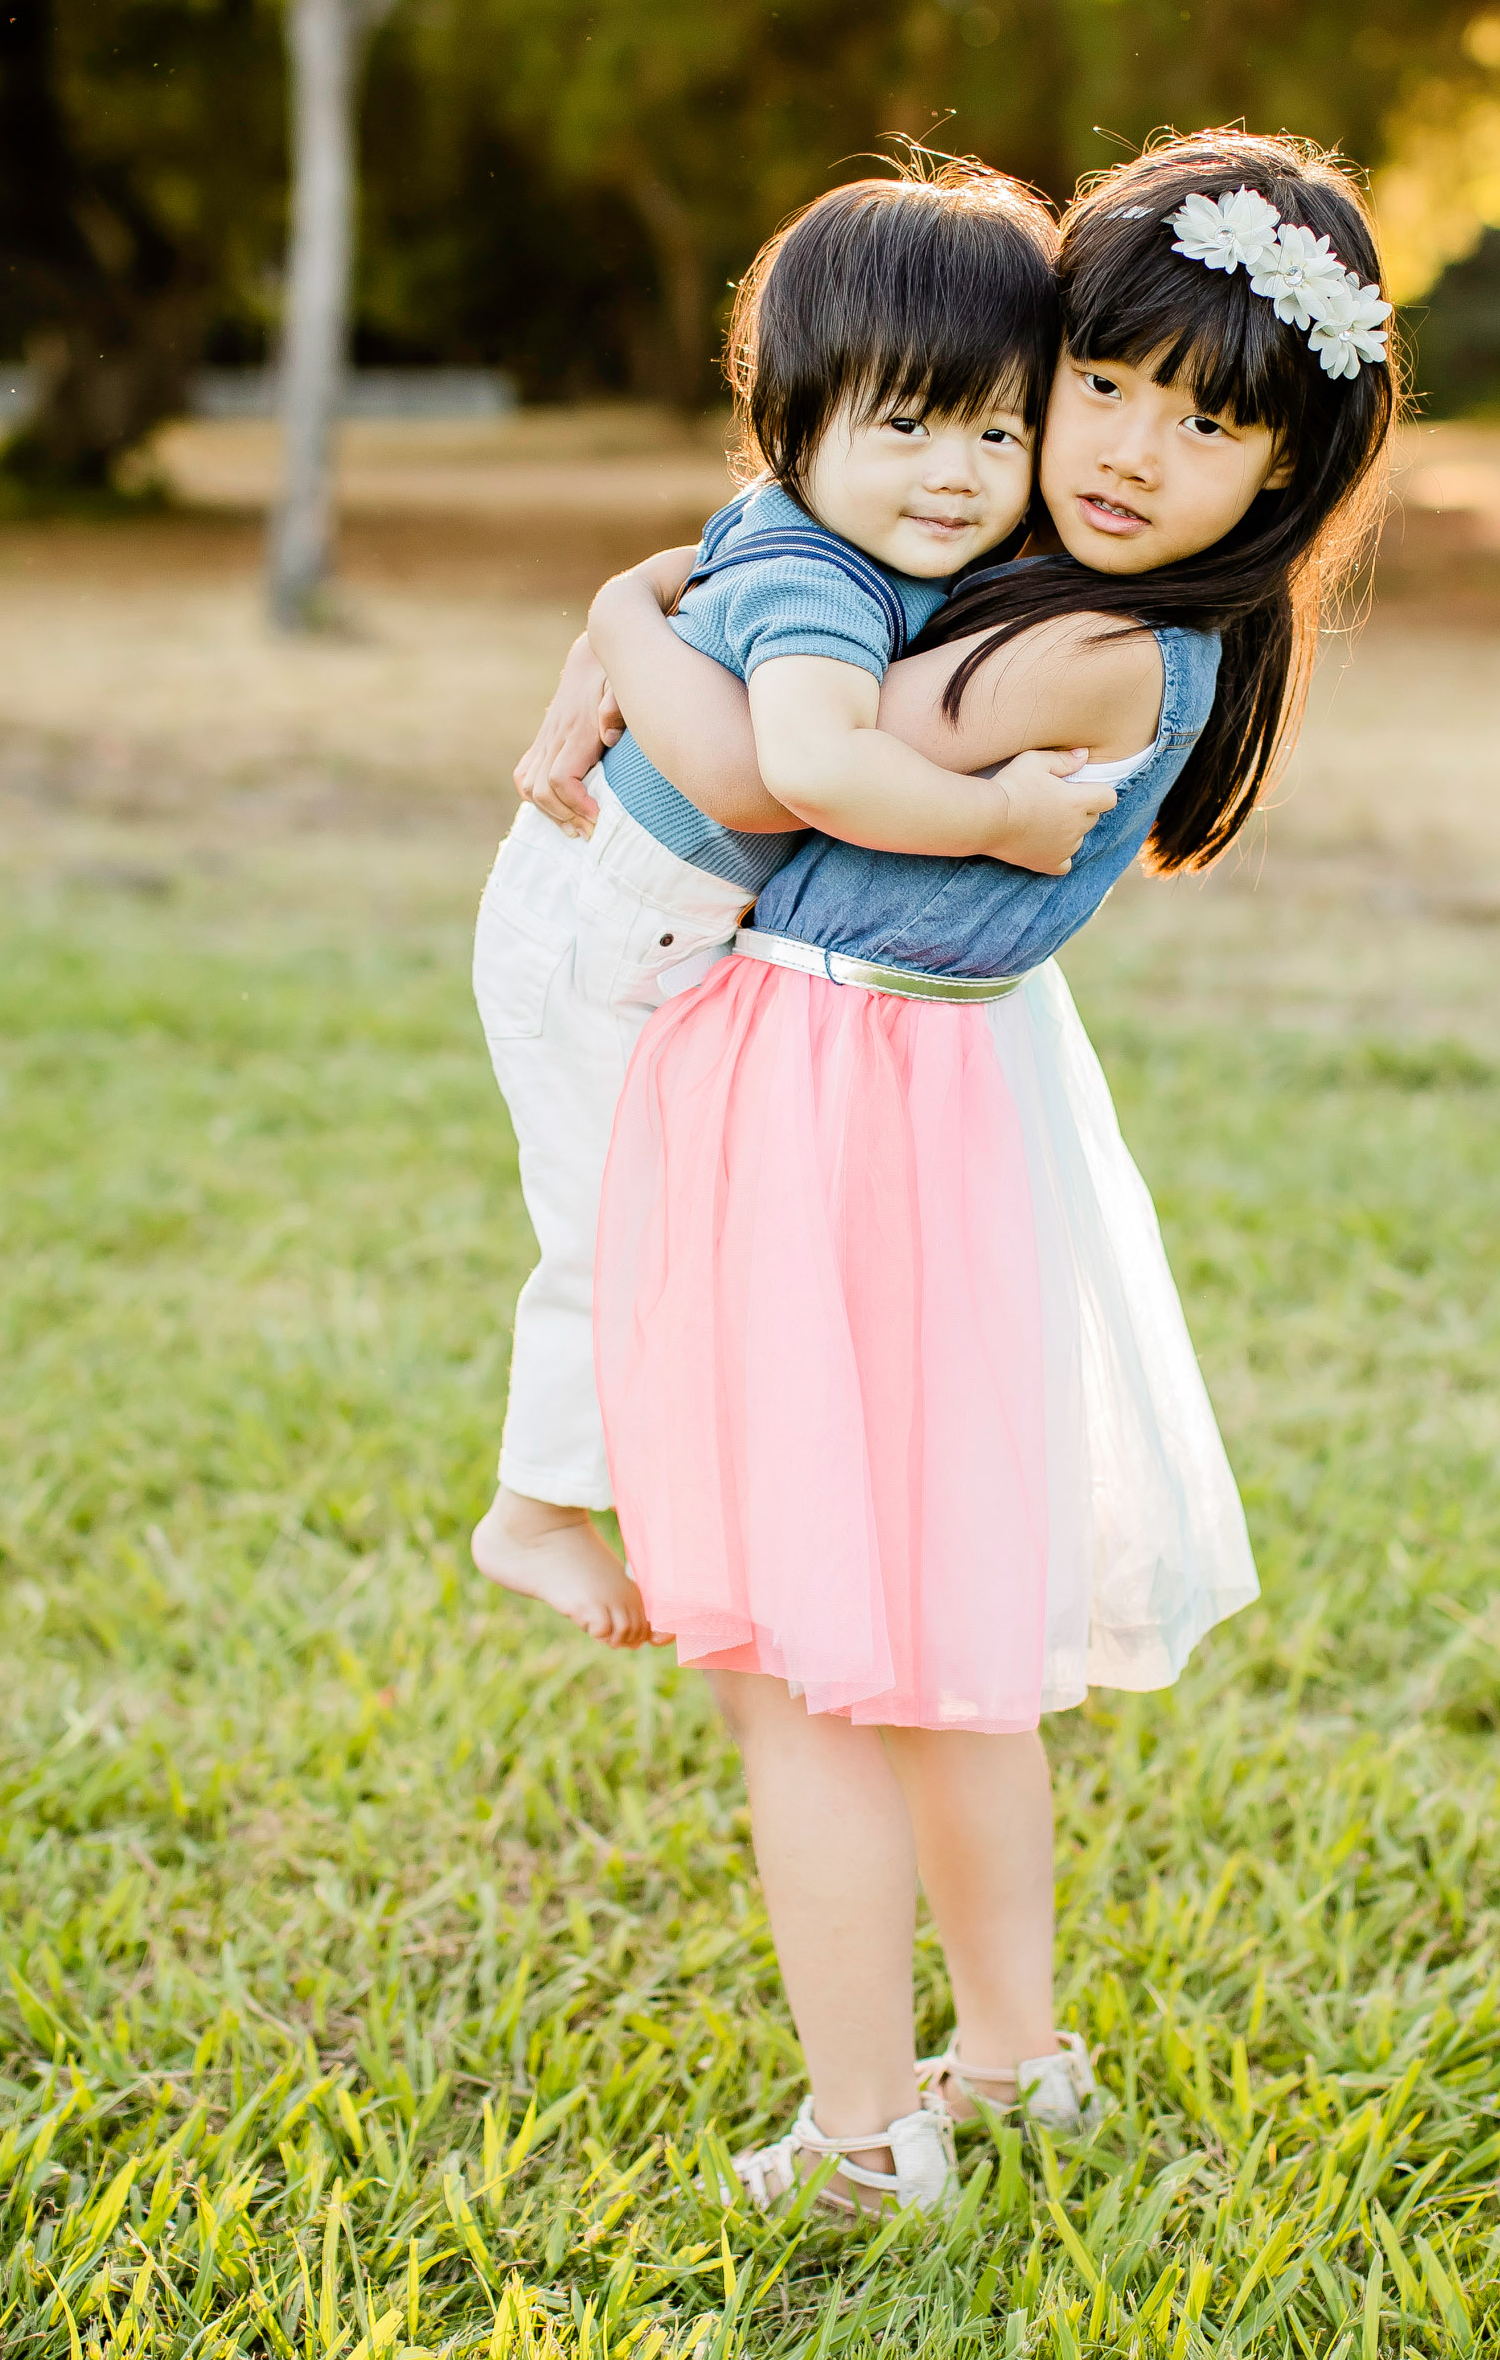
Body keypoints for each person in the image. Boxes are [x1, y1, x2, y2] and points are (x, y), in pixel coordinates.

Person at [576, 131, 1398, 2220]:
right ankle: (1017, 2055)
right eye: (1101, 385)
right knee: (927, 1637)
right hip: (902, 1099)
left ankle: (864, 2140)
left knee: (808, 1659)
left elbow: (765, 760)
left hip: (843, 1098)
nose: (1127, 450)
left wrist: (614, 611)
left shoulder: (1098, 649)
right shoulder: (1067, 598)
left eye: (1209, 426)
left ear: (1282, 478)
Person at [471, 163, 1120, 1648]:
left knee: (672, 1223)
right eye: (906, 424)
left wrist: (624, 606)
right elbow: (797, 772)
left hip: (655, 929)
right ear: (796, 423)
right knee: (607, 1227)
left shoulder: (888, 537)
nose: (956, 474)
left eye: (999, 429)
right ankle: (534, 1510)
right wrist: (996, 816)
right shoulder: (814, 578)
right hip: (593, 932)